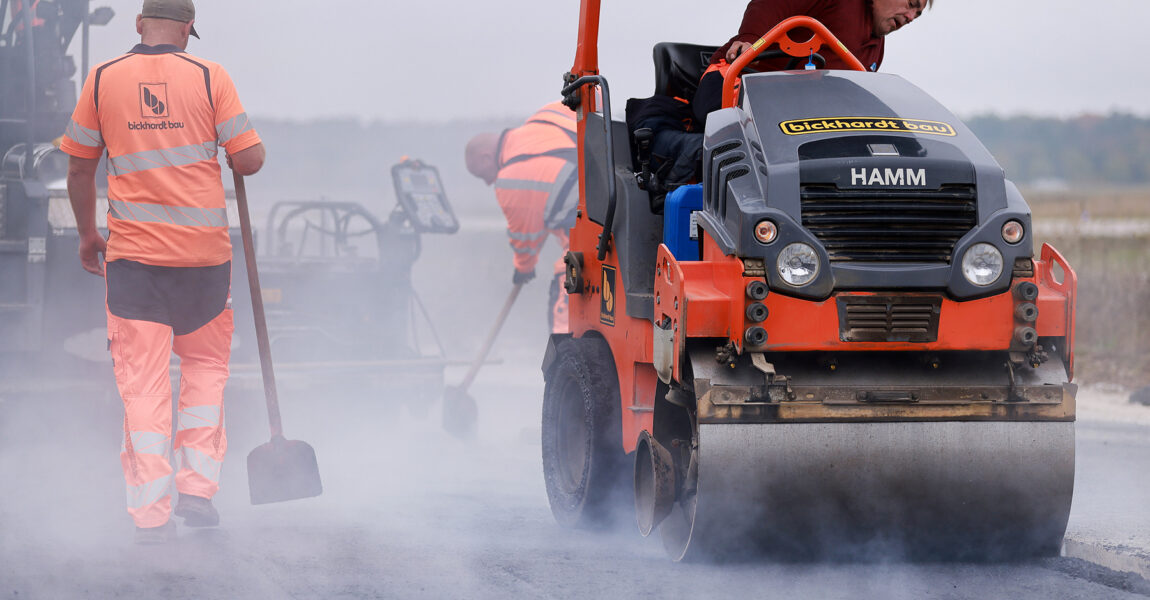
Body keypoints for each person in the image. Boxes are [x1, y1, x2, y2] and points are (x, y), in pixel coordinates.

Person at [60, 0, 265, 544]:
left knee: (144, 388)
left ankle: (150, 516)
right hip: (204, 263)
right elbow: (249, 161)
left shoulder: (102, 80)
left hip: (134, 266)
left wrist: (88, 236)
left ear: (138, 24)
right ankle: (197, 491)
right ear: (189, 29)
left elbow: (79, 166)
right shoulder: (210, 75)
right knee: (203, 377)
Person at [692, 0, 933, 124]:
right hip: (734, 84)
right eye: (911, 4)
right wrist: (750, 38)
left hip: (796, 114)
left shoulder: (876, 49)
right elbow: (771, 4)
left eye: (918, 15)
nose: (911, 17)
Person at [464, 101, 578, 333]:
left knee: (563, 325)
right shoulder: (548, 115)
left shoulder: (511, 178)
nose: (488, 182)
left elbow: (525, 240)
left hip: (590, 244)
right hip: (628, 207)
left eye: (482, 175)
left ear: (487, 158)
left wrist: (523, 268)